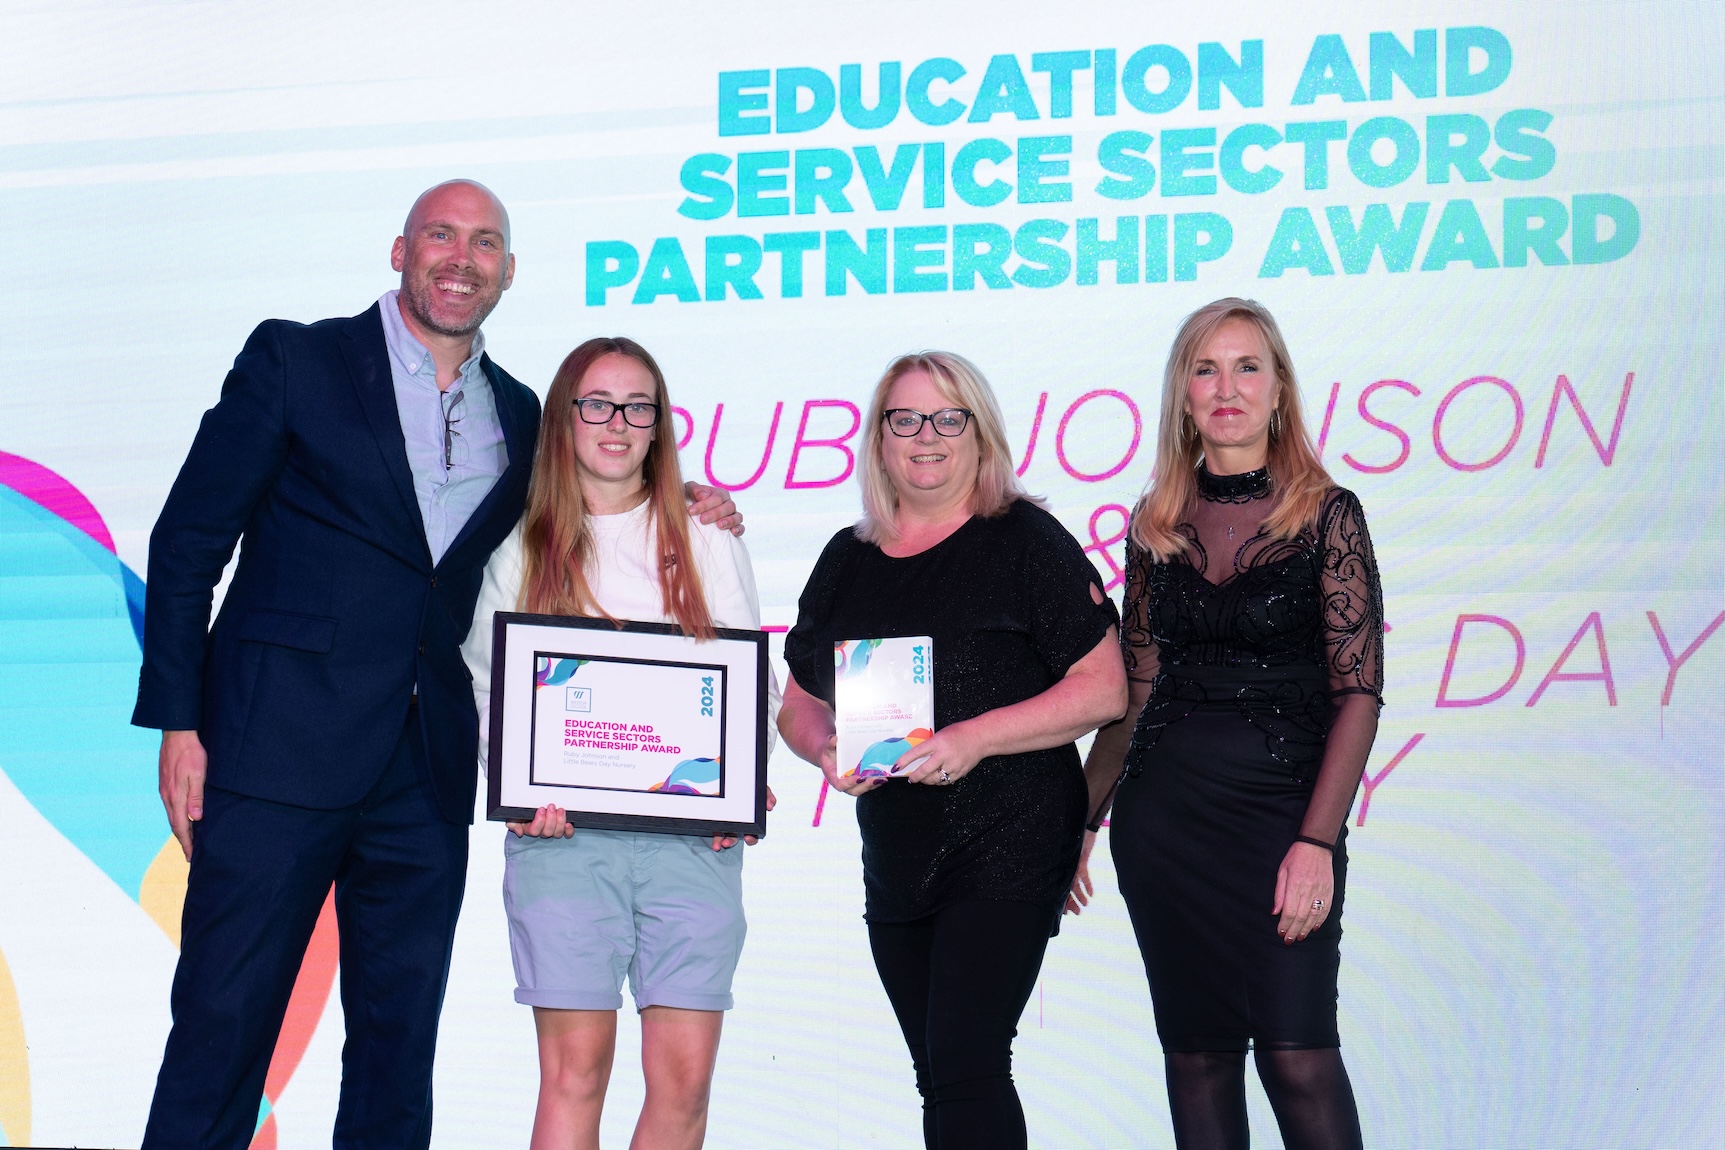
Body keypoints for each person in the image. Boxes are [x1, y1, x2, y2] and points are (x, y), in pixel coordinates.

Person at [131, 181, 740, 1149]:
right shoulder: (296, 358)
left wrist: (691, 497)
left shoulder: (524, 413)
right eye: (442, 237)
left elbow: (602, 480)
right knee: (223, 1028)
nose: (463, 258)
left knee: (396, 1052)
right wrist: (179, 720)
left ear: (508, 269)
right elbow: (187, 540)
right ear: (399, 250)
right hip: (271, 758)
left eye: (486, 242)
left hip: (424, 775)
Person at [778, 352, 1127, 1150]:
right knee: (939, 1071)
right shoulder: (847, 556)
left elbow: (1103, 688)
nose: (925, 437)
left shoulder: (1024, 540)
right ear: (879, 438)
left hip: (1010, 833)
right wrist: (824, 749)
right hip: (898, 850)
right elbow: (798, 699)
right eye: (904, 419)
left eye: (947, 418)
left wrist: (973, 738)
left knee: (968, 1060)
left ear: (979, 433)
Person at [1070, 298, 1383, 1150]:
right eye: (1205, 369)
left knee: (1297, 1058)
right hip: (1163, 826)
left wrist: (1316, 842)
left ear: (1279, 389)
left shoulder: (1328, 514)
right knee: (1198, 1060)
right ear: (1181, 394)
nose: (1226, 387)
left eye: (1247, 366)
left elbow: (1357, 693)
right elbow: (1131, 694)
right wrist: (1079, 821)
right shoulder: (1152, 524)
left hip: (1282, 819)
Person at [460, 337, 779, 1150]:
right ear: (564, 418)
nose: (617, 422)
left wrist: (739, 786)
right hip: (561, 841)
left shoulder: (705, 536)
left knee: (686, 1087)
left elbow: (749, 679)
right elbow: (486, 685)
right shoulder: (518, 542)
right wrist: (519, 789)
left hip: (692, 845)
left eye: (638, 407)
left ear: (657, 426)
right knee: (575, 1076)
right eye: (597, 403)